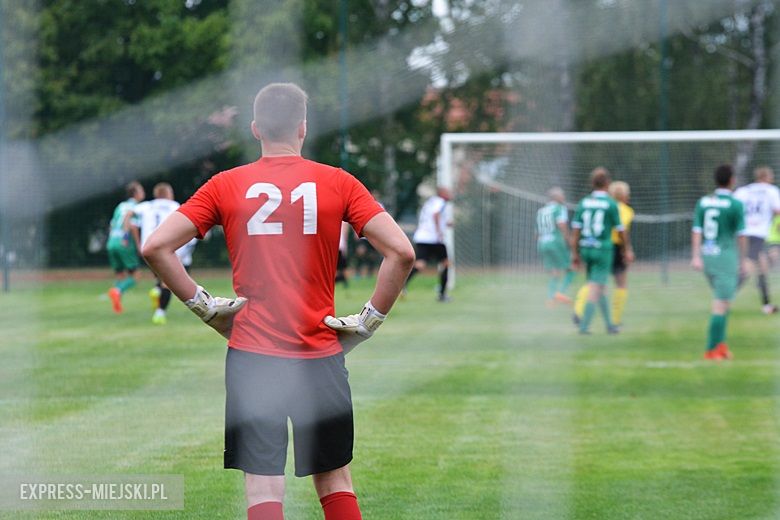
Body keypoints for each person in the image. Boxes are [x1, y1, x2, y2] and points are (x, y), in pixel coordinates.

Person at [142, 82, 415, 520]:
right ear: (303, 129)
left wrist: (207, 308)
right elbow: (401, 252)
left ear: (255, 129)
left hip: (253, 355)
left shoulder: (224, 184)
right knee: (335, 481)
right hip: (319, 352)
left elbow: (155, 247)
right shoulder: (338, 182)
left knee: (263, 488)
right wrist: (367, 323)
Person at [691, 164, 748, 360]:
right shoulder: (735, 204)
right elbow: (741, 235)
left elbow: (697, 230)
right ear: (732, 180)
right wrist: (743, 260)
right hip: (725, 258)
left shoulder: (704, 202)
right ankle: (710, 350)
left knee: (725, 302)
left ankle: (721, 346)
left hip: (707, 257)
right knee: (720, 304)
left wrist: (696, 256)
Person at [570, 167, 633, 335]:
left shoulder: (583, 202)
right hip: (602, 249)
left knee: (599, 286)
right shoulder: (610, 204)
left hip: (585, 247)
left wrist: (574, 254)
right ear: (607, 183)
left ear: (592, 183)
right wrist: (626, 250)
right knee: (596, 288)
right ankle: (584, 326)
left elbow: (575, 231)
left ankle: (610, 325)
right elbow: (621, 230)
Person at [129, 182, 198, 325]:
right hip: (171, 247)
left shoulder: (147, 206)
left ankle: (157, 289)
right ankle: (160, 311)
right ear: (169, 194)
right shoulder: (175, 206)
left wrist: (130, 237)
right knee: (169, 282)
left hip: (149, 247)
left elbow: (130, 213)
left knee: (162, 276)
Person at [733, 166, 780, 314]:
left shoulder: (743, 190)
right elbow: (778, 210)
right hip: (757, 233)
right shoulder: (771, 190)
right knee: (747, 268)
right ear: (767, 177)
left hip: (742, 233)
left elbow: (733, 208)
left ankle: (766, 305)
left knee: (762, 267)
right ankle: (724, 296)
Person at [405, 186, 453, 302]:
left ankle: (402, 285)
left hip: (422, 237)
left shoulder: (430, 202)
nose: (451, 194)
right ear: (442, 193)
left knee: (420, 265)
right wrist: (439, 232)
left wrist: (445, 224)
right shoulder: (440, 202)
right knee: (446, 264)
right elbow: (435, 215)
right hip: (434, 239)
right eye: (449, 192)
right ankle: (442, 294)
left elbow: (430, 218)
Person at [106, 181, 145, 313]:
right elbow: (133, 226)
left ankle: (117, 305)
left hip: (112, 242)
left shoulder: (120, 205)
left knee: (121, 275)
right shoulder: (136, 207)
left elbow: (111, 225)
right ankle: (117, 291)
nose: (143, 193)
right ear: (136, 193)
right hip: (124, 242)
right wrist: (139, 245)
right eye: (141, 190)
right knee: (136, 275)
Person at [536, 187, 575, 306]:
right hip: (556, 242)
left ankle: (551, 299)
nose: (564, 197)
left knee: (554, 272)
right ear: (556, 197)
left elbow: (537, 232)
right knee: (571, 268)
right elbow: (562, 225)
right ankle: (560, 293)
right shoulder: (559, 208)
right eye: (562, 195)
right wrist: (569, 240)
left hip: (542, 243)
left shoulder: (541, 211)